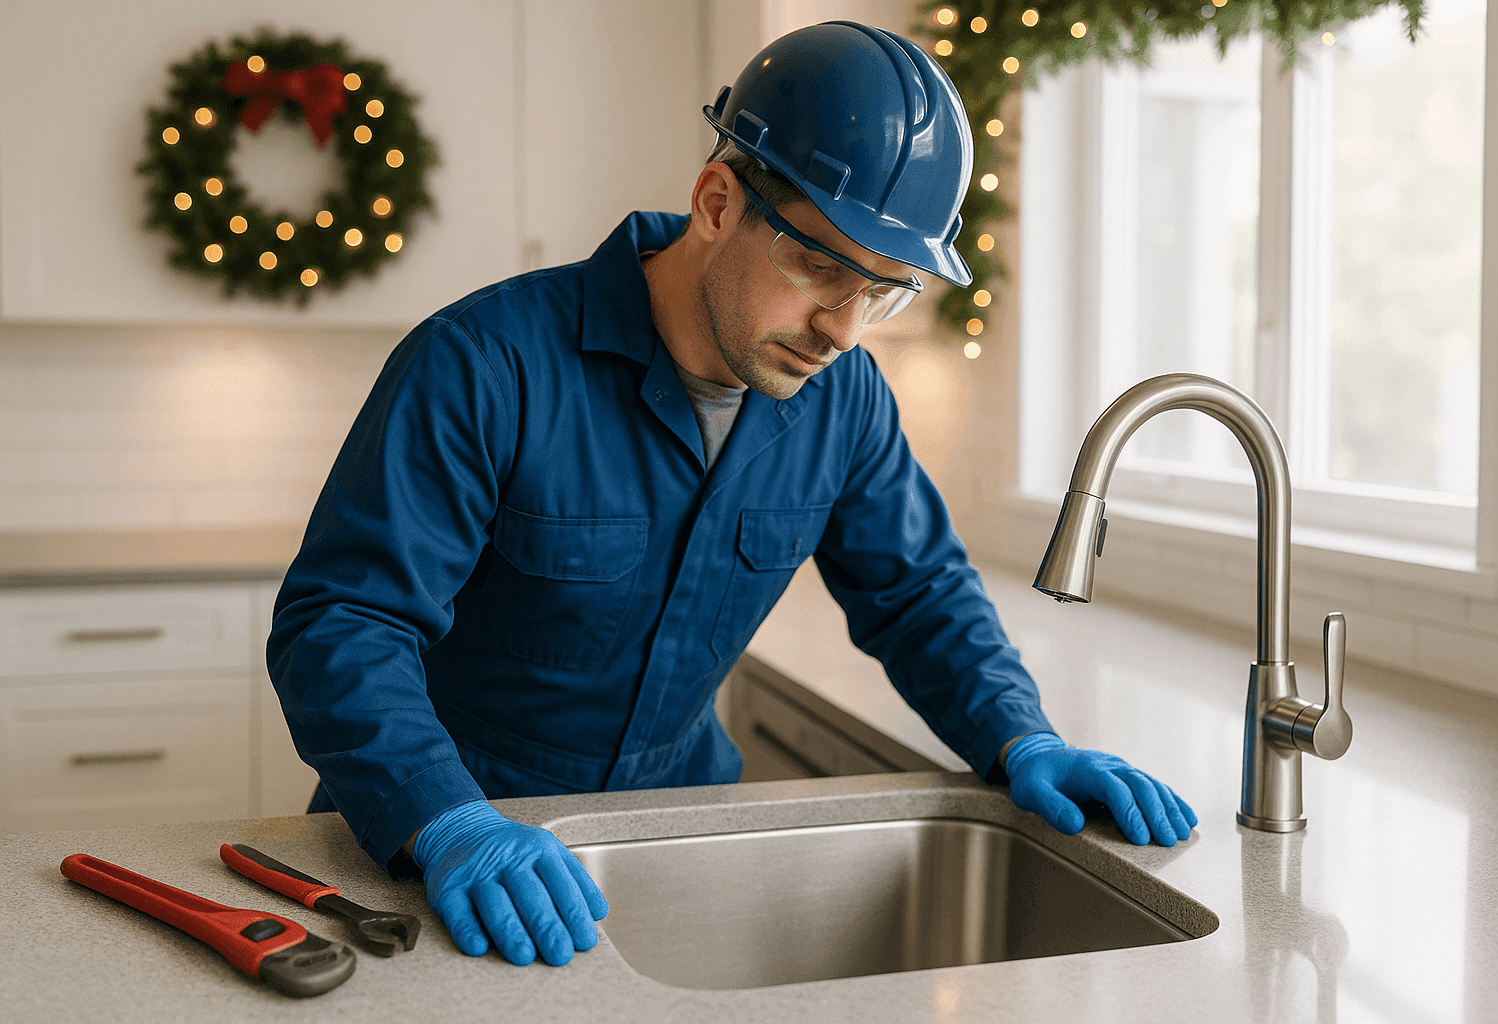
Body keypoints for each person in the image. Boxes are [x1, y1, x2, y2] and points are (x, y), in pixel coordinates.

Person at [269, 21, 1196, 971]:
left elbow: (918, 594)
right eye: (822, 267)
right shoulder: (483, 364)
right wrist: (447, 817)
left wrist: (1020, 737)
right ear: (717, 201)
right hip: (440, 854)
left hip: (679, 836)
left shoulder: (847, 398)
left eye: (886, 290)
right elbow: (341, 624)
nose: (844, 327)